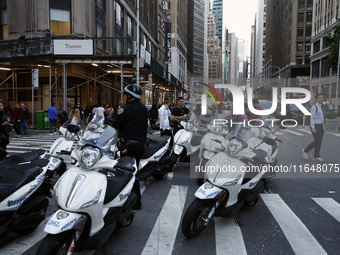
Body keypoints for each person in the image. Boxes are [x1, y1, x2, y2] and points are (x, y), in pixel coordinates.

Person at [111, 84, 148, 210]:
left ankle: (136, 201)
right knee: (135, 169)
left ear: (128, 96)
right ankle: (133, 198)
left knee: (129, 173)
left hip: (128, 145)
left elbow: (115, 124)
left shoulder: (124, 110)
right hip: (141, 145)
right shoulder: (144, 108)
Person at [302, 94, 325, 162]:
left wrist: (324, 127)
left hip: (321, 126)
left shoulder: (322, 107)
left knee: (319, 141)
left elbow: (322, 118)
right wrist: (313, 128)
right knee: (318, 140)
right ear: (316, 99)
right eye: (319, 97)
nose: (321, 99)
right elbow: (312, 118)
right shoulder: (314, 107)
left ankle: (316, 156)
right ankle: (306, 150)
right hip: (315, 126)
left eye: (322, 97)